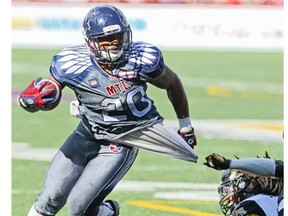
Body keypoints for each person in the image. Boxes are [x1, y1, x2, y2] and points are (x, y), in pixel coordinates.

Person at [17, 5, 198, 216]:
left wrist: (185, 127)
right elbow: (52, 87)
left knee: (78, 208)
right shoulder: (74, 64)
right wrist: (34, 98)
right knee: (49, 198)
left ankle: (108, 212)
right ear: (91, 42)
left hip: (122, 141)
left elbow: (172, 83)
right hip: (87, 133)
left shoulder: (140, 60)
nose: (114, 43)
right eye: (106, 39)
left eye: (118, 36)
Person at [204, 153, 284, 216]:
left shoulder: (249, 206)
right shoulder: (272, 200)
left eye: (228, 190)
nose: (228, 198)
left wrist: (229, 163)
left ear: (243, 186)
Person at [217, 169, 283, 216]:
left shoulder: (247, 207)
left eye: (227, 190)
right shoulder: (273, 199)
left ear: (241, 185)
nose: (227, 196)